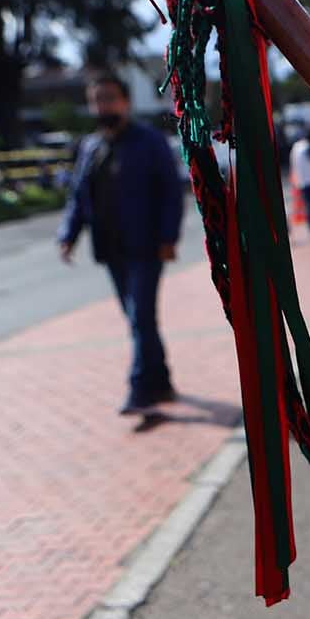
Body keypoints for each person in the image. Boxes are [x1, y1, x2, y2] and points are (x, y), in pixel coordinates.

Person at [58, 71, 184, 415]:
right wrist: (67, 235)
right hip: (110, 249)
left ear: (126, 101)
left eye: (110, 98)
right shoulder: (91, 146)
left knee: (141, 316)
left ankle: (141, 389)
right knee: (137, 319)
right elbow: (78, 196)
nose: (104, 105)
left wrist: (169, 237)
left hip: (146, 246)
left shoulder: (150, 141)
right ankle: (162, 381)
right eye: (97, 99)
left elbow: (171, 193)